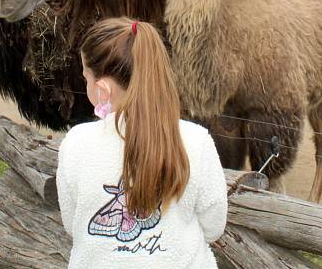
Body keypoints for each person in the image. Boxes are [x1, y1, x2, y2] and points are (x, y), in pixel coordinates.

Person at [57, 18, 228, 268]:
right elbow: (213, 226)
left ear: (103, 89)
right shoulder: (196, 140)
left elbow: (73, 224)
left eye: (86, 78)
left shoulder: (75, 142)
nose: (86, 85)